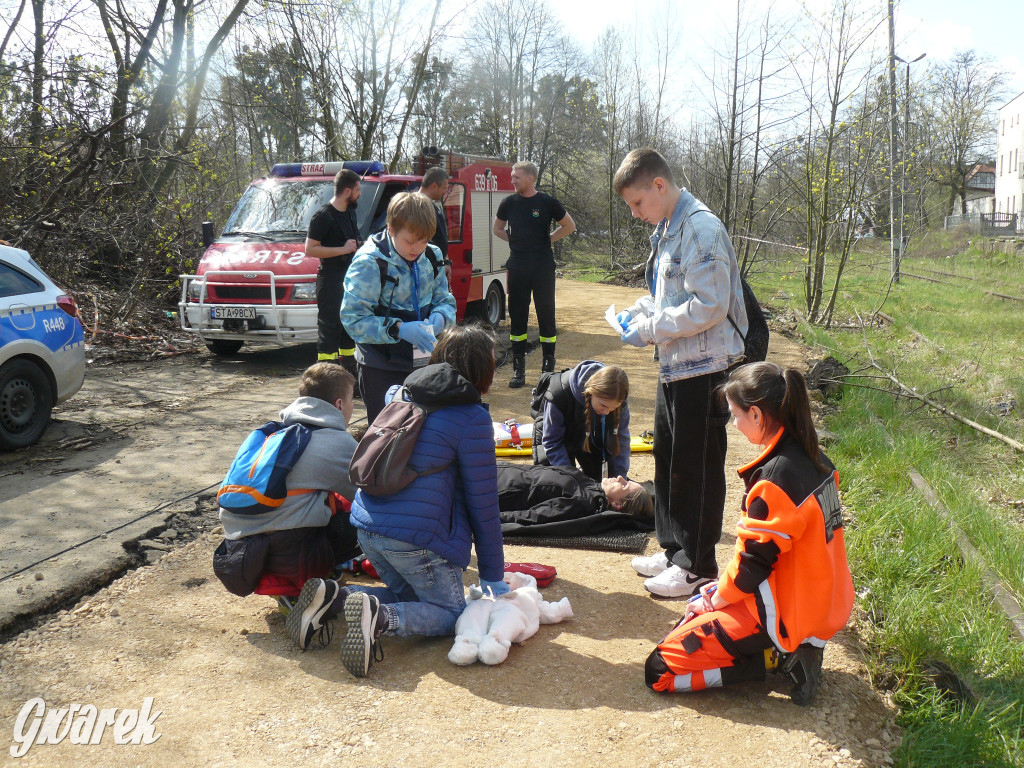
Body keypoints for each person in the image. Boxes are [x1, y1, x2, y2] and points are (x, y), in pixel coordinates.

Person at [289, 324, 506, 678]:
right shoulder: (472, 419)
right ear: (482, 368)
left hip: (367, 527)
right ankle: (381, 618)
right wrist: (494, 575)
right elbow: (483, 504)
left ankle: (334, 597)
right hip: (416, 542)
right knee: (453, 612)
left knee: (411, 596)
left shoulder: (400, 395)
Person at [644, 362, 853, 706]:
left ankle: (773, 659)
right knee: (710, 603)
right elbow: (764, 557)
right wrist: (720, 589)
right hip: (824, 605)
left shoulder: (773, 482)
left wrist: (714, 599)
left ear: (756, 415)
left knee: (659, 672)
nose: (734, 424)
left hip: (784, 615)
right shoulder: (817, 459)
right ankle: (795, 649)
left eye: (735, 415)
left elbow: (751, 568)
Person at [613, 148, 748, 599]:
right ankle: (673, 550)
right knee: (669, 458)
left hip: (706, 368)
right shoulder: (668, 227)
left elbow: (711, 305)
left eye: (637, 203)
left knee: (699, 466)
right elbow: (673, 297)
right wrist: (640, 312)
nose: (635, 215)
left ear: (658, 185)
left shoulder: (701, 227)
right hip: (675, 362)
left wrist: (652, 328)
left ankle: (698, 565)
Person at [212, 363, 360, 646]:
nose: (352, 407)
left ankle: (295, 589)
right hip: (288, 552)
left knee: (310, 498)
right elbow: (369, 496)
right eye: (352, 400)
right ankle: (303, 591)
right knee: (362, 515)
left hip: (236, 551)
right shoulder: (338, 441)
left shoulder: (271, 434)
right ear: (339, 404)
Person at [340, 191, 457, 422]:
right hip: (381, 366)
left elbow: (445, 300)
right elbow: (353, 320)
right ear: (391, 229)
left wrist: (441, 318)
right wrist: (399, 329)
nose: (417, 248)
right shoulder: (370, 262)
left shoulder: (432, 256)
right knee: (389, 435)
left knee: (427, 431)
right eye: (410, 241)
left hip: (424, 362)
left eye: (424, 241)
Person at [492, 160, 576, 388]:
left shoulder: (547, 202)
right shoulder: (508, 203)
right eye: (512, 176)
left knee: (546, 316)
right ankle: (518, 370)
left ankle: (547, 372)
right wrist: (516, 241)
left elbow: (569, 225)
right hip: (518, 266)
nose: (512, 180)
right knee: (518, 317)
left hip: (542, 267)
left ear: (530, 178)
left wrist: (548, 239)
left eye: (516, 177)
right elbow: (497, 229)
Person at [532, 361, 631, 483]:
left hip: (590, 433)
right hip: (553, 439)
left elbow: (622, 440)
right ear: (591, 392)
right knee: (556, 484)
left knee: (603, 483)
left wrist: (620, 477)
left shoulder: (618, 396)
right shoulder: (559, 392)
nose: (606, 412)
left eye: (612, 408)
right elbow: (552, 443)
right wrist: (573, 480)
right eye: (603, 406)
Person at [306, 168, 362, 381]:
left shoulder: (350, 212)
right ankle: (324, 380)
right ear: (347, 191)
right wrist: (342, 249)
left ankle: (349, 379)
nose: (360, 194)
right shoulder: (323, 215)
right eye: (357, 190)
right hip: (330, 281)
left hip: (348, 280)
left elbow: (351, 243)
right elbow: (310, 249)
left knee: (347, 330)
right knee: (329, 331)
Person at [496, 461, 653, 533]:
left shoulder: (582, 503)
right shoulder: (591, 487)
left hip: (490, 488)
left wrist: (484, 520)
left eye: (624, 485)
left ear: (618, 505)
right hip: (496, 471)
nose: (620, 478)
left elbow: (532, 516)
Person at [419, 167, 453, 285]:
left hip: (438, 265)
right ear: (434, 186)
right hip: (426, 269)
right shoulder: (416, 206)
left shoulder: (432, 206)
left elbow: (440, 236)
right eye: (444, 188)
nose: (445, 192)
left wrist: (446, 260)